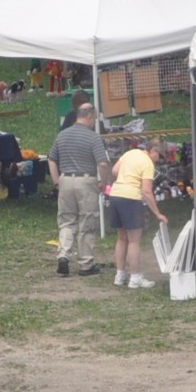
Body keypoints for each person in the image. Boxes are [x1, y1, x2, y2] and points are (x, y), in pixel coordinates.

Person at [51, 102, 109, 277]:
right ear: (90, 116)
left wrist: (56, 182)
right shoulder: (93, 138)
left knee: (67, 221)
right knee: (87, 222)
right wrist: (103, 183)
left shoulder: (62, 135)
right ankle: (85, 264)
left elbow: (52, 159)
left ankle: (63, 255)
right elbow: (103, 163)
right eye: (95, 118)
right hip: (86, 181)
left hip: (65, 180)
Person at [105, 138, 169, 289]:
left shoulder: (131, 153)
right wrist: (158, 213)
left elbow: (114, 170)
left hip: (116, 194)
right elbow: (147, 191)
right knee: (134, 240)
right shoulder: (147, 163)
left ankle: (119, 275)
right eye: (161, 156)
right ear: (153, 151)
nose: (160, 160)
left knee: (121, 238)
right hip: (131, 198)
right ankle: (135, 277)